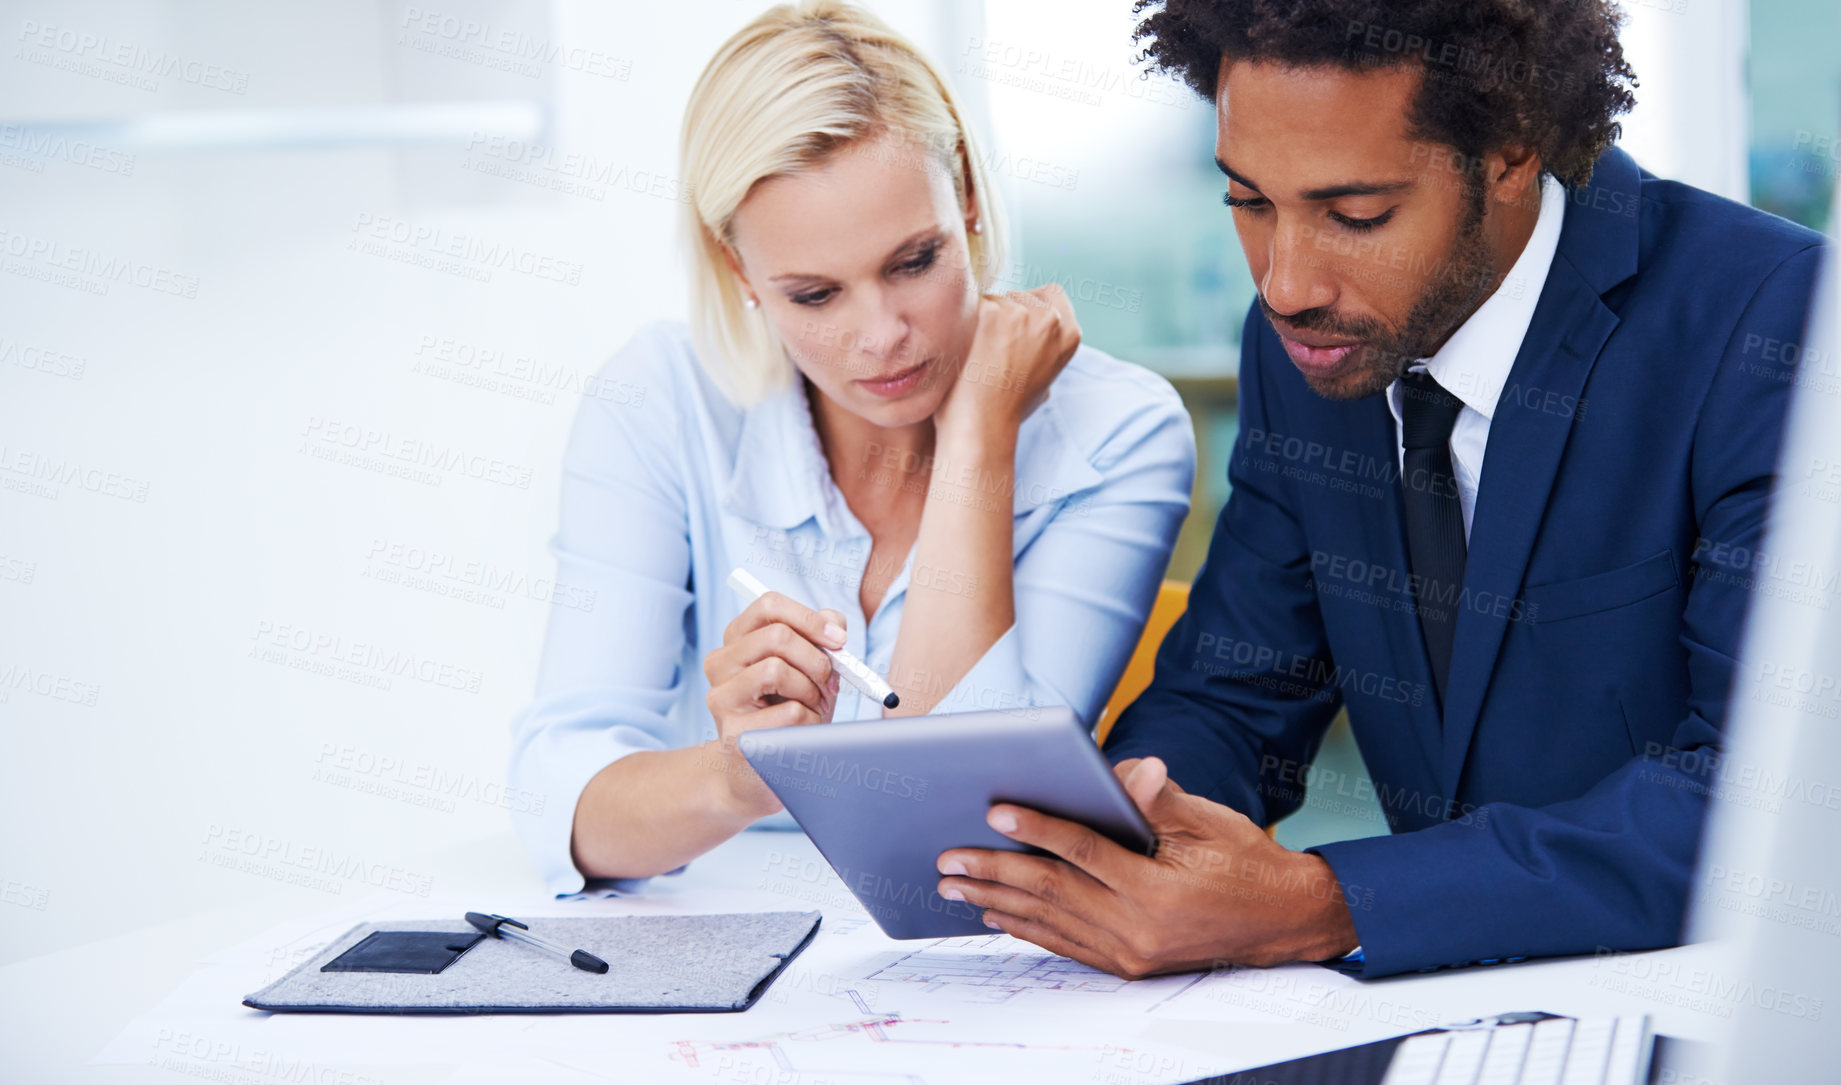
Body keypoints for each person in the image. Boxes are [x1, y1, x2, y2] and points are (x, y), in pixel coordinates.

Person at [936, 0, 1827, 979]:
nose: (1282, 281)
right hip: (1425, 1016)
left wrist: (1323, 902)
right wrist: (1131, 833)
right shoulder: (1305, 347)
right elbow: (1236, 693)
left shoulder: (1773, 324)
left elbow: (1765, 800)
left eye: (1353, 215)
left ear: (1510, 154)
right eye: (1247, 201)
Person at [507, 0, 1196, 896]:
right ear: (737, 272)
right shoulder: (660, 399)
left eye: (914, 262)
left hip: (977, 966)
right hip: (729, 954)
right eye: (815, 295)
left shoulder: (1117, 429)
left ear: (971, 199)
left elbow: (969, 816)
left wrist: (979, 436)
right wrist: (733, 776)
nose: (883, 336)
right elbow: (557, 801)